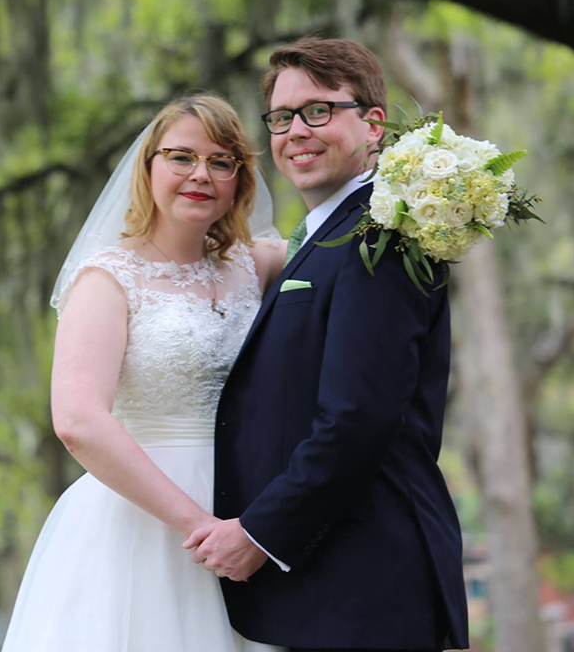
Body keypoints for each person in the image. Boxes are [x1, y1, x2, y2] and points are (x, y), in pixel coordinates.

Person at [189, 38, 471, 651]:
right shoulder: (327, 235)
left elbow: (357, 417)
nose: (296, 131)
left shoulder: (383, 235)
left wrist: (259, 533)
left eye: (319, 110)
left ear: (373, 125)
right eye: (283, 117)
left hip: (363, 581)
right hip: (324, 585)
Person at [0, 94, 288, 651]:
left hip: (248, 506)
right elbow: (78, 420)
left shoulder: (256, 264)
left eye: (221, 161)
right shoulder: (107, 278)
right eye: (181, 157)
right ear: (149, 166)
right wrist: (198, 526)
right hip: (146, 517)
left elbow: (338, 243)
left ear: (239, 178)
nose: (200, 175)